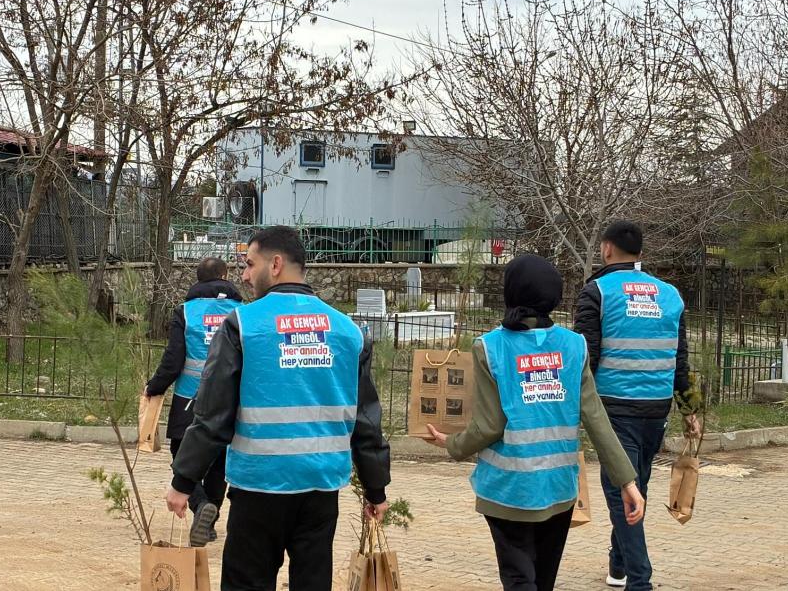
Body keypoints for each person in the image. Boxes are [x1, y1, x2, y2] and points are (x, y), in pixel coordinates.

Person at [164, 225, 391, 591]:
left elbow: (213, 414)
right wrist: (376, 489)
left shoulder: (243, 325)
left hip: (259, 486)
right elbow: (366, 420)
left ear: (276, 264)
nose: (243, 275)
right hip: (320, 488)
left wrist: (183, 481)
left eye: (250, 264)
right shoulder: (349, 331)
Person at [425, 254, 645, 591]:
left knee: (517, 580)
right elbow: (596, 417)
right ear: (554, 296)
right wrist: (627, 481)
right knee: (542, 582)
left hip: (508, 490)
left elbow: (488, 426)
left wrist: (450, 443)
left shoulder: (490, 348)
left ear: (510, 292)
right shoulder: (575, 346)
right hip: (558, 489)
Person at [574, 220, 701, 590]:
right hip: (656, 410)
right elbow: (682, 361)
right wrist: (689, 408)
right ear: (641, 255)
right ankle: (618, 566)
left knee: (621, 493)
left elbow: (586, 357)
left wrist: (575, 409)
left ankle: (640, 581)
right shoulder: (670, 295)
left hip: (614, 410)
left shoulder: (596, 291)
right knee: (634, 489)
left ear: (606, 248)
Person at [144, 257, 242, 547]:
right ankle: (209, 519)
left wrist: (155, 386)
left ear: (198, 281)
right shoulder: (244, 313)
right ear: (225, 276)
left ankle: (200, 506)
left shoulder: (185, 312)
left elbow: (173, 360)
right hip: (231, 399)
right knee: (220, 458)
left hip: (189, 399)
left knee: (180, 451)